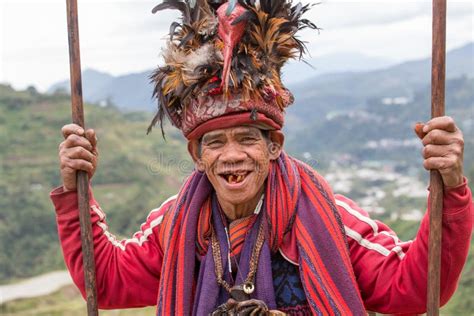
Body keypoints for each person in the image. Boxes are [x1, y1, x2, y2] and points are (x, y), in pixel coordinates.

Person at [51, 1, 473, 315]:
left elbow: (415, 289)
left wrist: (450, 188)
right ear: (196, 155)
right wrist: (75, 190)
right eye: (214, 143)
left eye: (248, 139)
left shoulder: (330, 217)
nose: (232, 156)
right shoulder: (178, 223)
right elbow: (105, 282)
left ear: (274, 146)